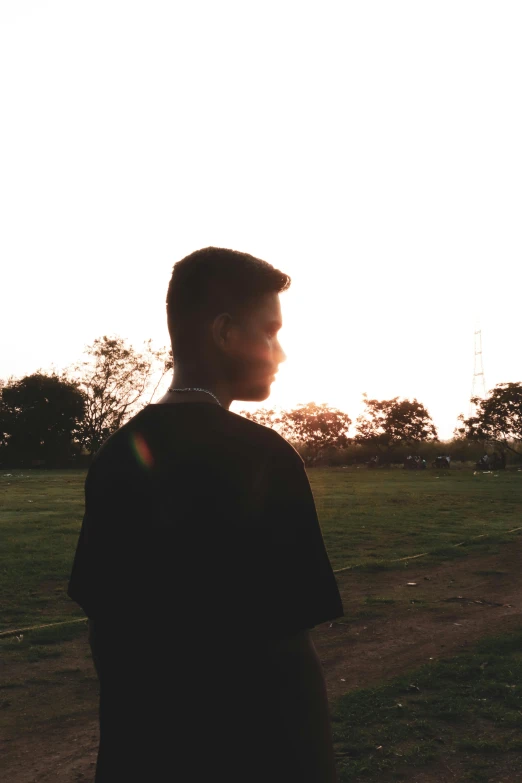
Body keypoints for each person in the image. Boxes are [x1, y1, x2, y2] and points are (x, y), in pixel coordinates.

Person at [67, 247, 344, 782]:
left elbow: (106, 630)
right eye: (271, 331)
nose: (280, 353)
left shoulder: (116, 455)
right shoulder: (263, 457)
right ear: (224, 332)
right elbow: (289, 653)